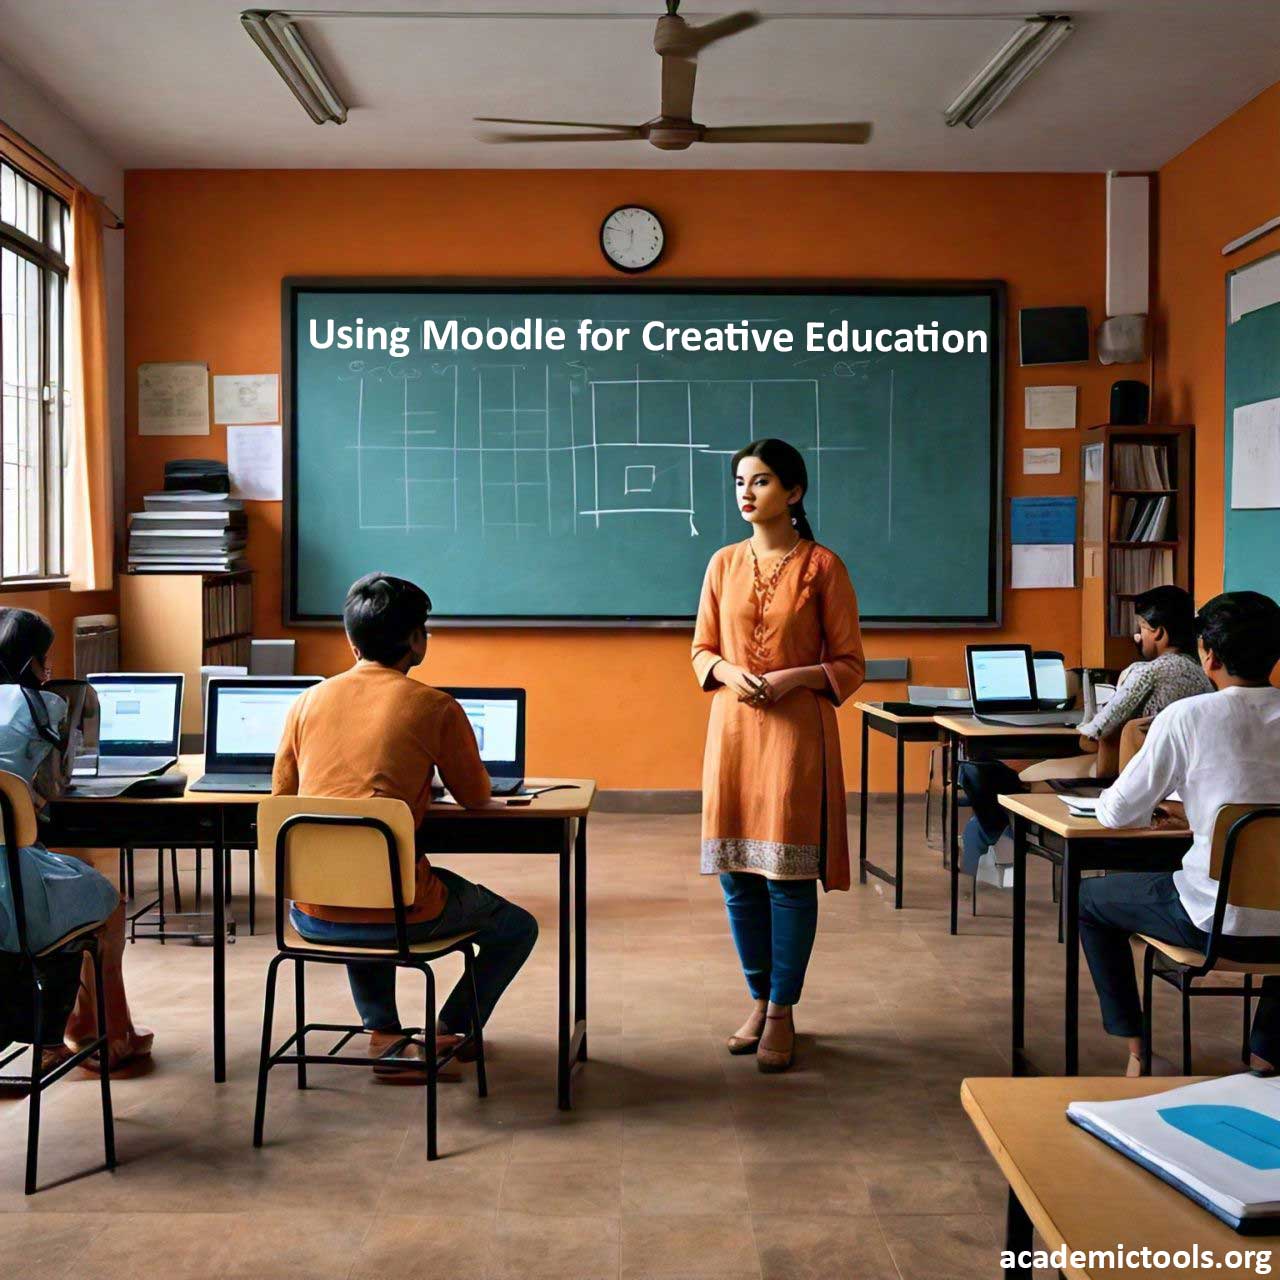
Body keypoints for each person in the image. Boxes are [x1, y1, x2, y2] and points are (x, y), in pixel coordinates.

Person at [272, 573, 538, 1081]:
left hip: (310, 912)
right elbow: (477, 798)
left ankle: (386, 1036)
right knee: (516, 927)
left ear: (351, 643)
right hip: (400, 911)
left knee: (358, 879)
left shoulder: (304, 703)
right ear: (417, 640)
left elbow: (282, 800)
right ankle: (450, 1029)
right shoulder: (434, 705)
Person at [692, 438, 865, 1073]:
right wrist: (725, 672)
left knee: (787, 878)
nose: (745, 492)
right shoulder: (722, 563)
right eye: (740, 480)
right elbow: (700, 650)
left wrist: (794, 678)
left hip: (796, 734)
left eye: (760, 481)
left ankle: (785, 1009)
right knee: (739, 877)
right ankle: (758, 998)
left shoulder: (823, 567)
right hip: (733, 732)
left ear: (793, 492)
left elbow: (851, 664)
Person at [1080, 590, 1280, 1077]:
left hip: (1213, 923)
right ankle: (1268, 1056)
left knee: (1090, 898)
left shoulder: (1188, 717)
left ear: (1208, 655)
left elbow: (1117, 812)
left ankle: (1137, 1050)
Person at [959, 584, 1211, 875]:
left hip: (1127, 774)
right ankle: (997, 826)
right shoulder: (1200, 674)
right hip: (1178, 782)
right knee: (994, 787)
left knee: (991, 776)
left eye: (1141, 627)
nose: (1137, 635)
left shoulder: (1148, 672)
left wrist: (1085, 724)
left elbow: (1097, 730)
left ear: (1159, 632)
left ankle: (1008, 825)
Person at [0, 607, 153, 1071]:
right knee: (107, 902)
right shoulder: (37, 707)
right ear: (30, 664)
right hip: (10, 885)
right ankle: (102, 1034)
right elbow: (51, 790)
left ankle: (61, 1031)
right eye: (45, 661)